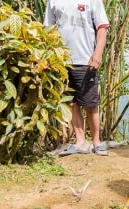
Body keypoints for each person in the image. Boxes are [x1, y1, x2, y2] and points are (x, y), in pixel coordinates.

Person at [43, 0, 110, 156]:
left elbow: (102, 28)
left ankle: (96, 142)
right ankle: (80, 142)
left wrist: (98, 53)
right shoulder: (53, 1)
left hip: (85, 59)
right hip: (60, 61)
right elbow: (47, 29)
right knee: (71, 103)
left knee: (91, 104)